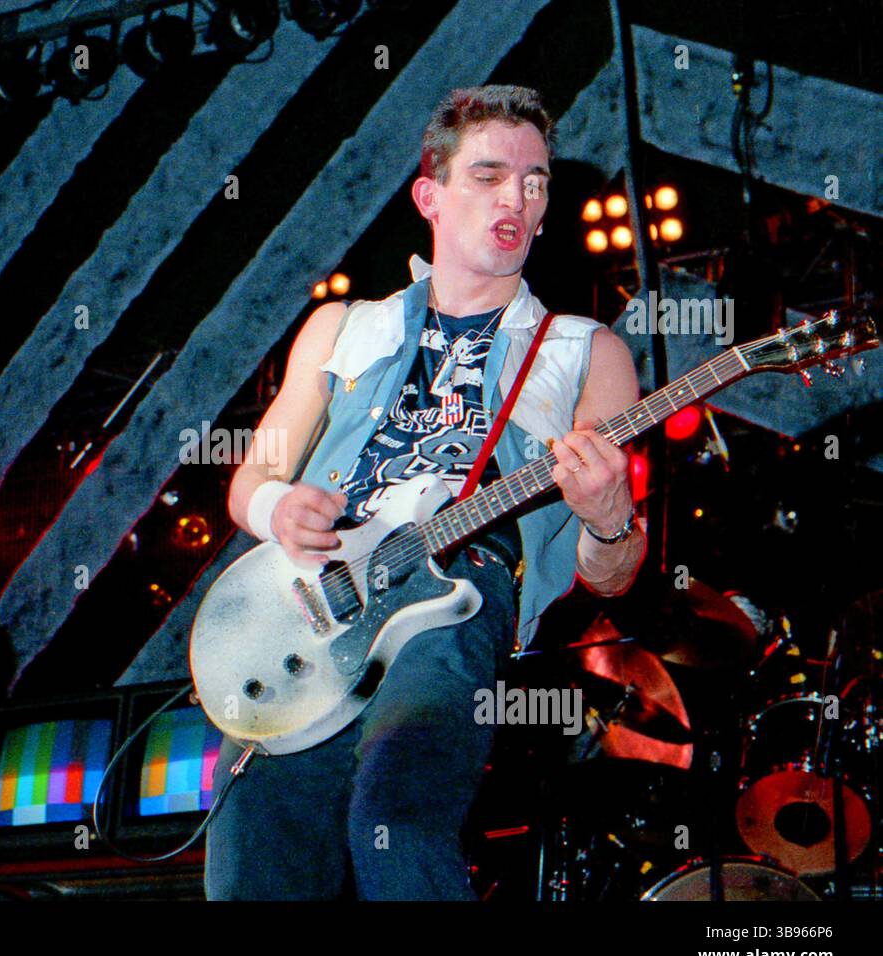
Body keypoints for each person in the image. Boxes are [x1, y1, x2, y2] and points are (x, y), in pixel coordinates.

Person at [204, 85, 646, 900]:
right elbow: (251, 477)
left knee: (397, 820)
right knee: (251, 865)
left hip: (455, 595)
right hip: (310, 598)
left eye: (536, 181)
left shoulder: (588, 352)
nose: (517, 196)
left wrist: (609, 522)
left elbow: (613, 574)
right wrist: (277, 509)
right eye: (490, 175)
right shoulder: (342, 327)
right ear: (429, 196)